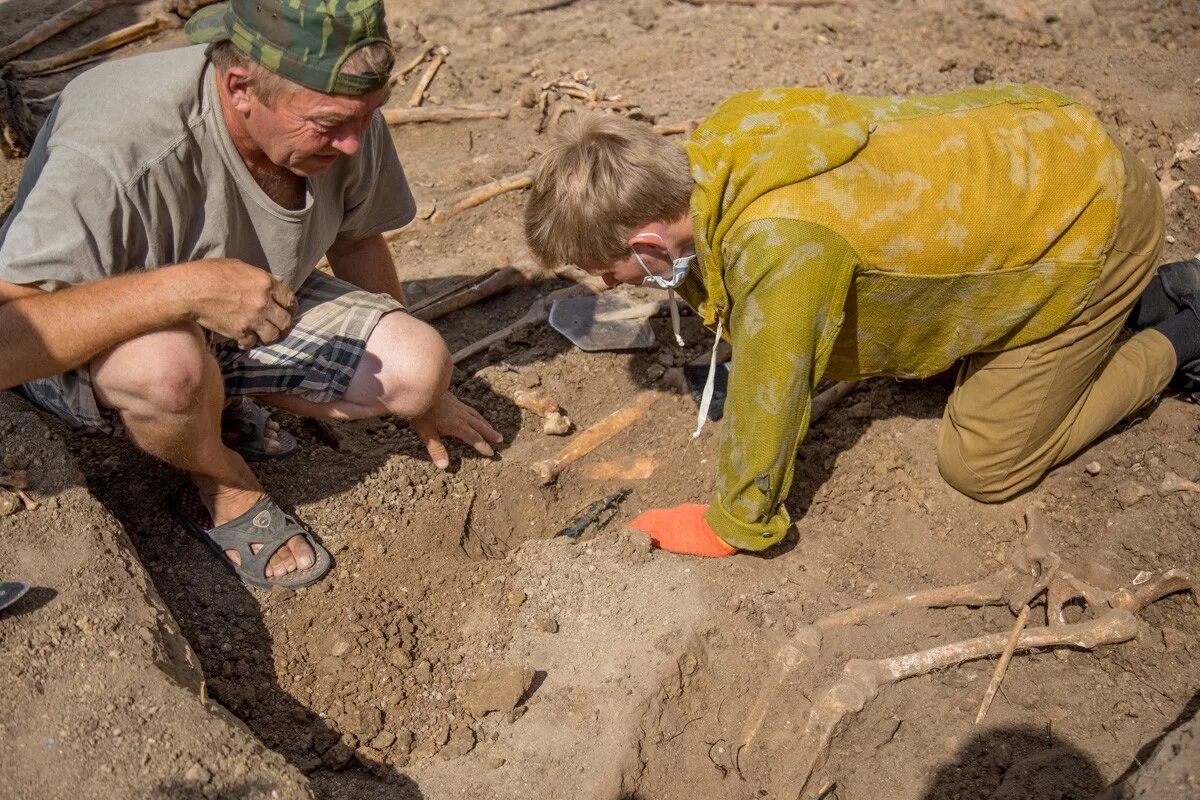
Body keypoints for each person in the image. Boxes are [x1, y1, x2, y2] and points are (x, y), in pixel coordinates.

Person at [524, 85, 1200, 558]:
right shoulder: (726, 141)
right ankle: (1136, 299)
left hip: (1092, 221)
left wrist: (732, 522)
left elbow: (776, 393)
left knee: (985, 464)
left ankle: (1177, 328)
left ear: (645, 244)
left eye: (605, 271)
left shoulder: (784, 248)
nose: (606, 286)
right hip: (1047, 141)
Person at [0, 0, 502, 588]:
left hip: (240, 305)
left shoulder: (339, 111)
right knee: (168, 368)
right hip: (79, 339)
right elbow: (9, 339)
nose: (351, 143)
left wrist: (430, 398)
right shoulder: (118, 150)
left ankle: (213, 400)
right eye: (328, 124)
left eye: (368, 115)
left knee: (415, 370)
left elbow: (358, 240)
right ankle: (222, 481)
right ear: (240, 87)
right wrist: (184, 289)